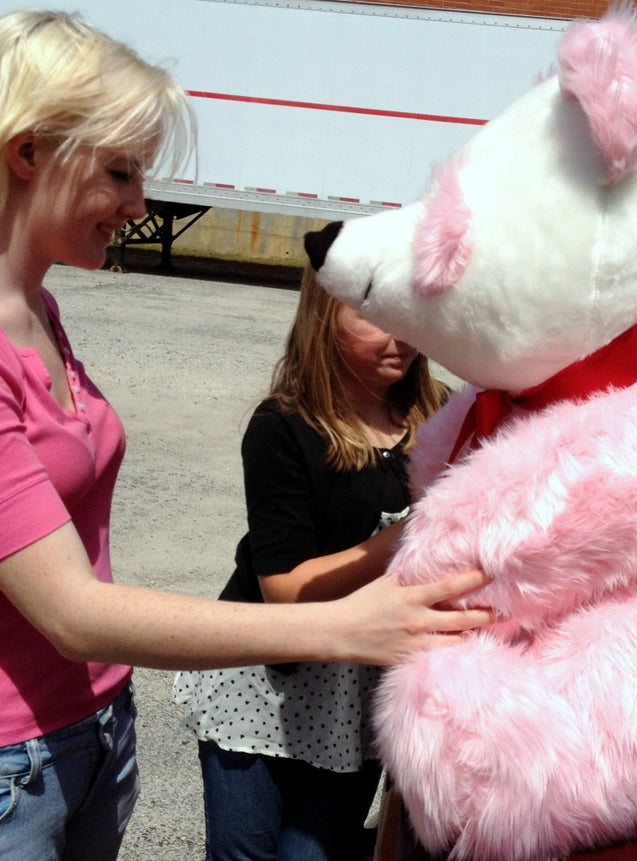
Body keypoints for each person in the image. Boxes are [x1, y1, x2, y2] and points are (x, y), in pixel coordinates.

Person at [0, 10, 490, 860]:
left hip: (82, 741)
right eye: (120, 171)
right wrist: (349, 625)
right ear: (27, 152)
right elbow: (73, 613)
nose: (139, 204)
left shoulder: (34, 309)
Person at [173, 266, 447, 860]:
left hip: (356, 687)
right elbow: (285, 590)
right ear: (324, 318)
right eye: (375, 318)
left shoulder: (441, 417)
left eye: (409, 317)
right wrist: (409, 533)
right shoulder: (283, 426)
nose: (398, 337)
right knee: (243, 851)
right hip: (261, 677)